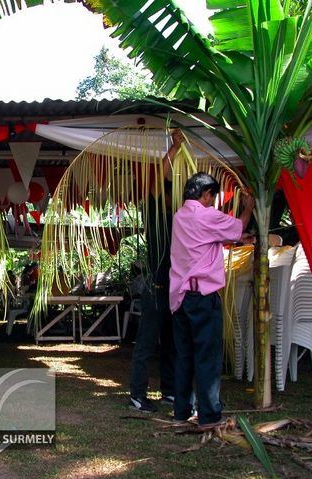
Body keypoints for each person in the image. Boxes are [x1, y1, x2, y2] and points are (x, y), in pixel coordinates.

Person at [169, 172, 254, 429]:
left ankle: (182, 410)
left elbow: (210, 239)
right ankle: (209, 414)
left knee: (185, 355)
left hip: (181, 297)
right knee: (207, 356)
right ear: (206, 194)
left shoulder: (180, 216)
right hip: (202, 297)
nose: (212, 201)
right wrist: (248, 207)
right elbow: (237, 227)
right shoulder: (205, 215)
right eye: (212, 197)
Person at [129, 130, 184, 413]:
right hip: (155, 289)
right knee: (146, 345)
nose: (169, 199)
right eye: (167, 193)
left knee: (172, 345)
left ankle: (170, 392)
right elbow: (155, 184)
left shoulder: (178, 221)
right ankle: (137, 396)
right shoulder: (153, 214)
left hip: (173, 290)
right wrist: (174, 149)